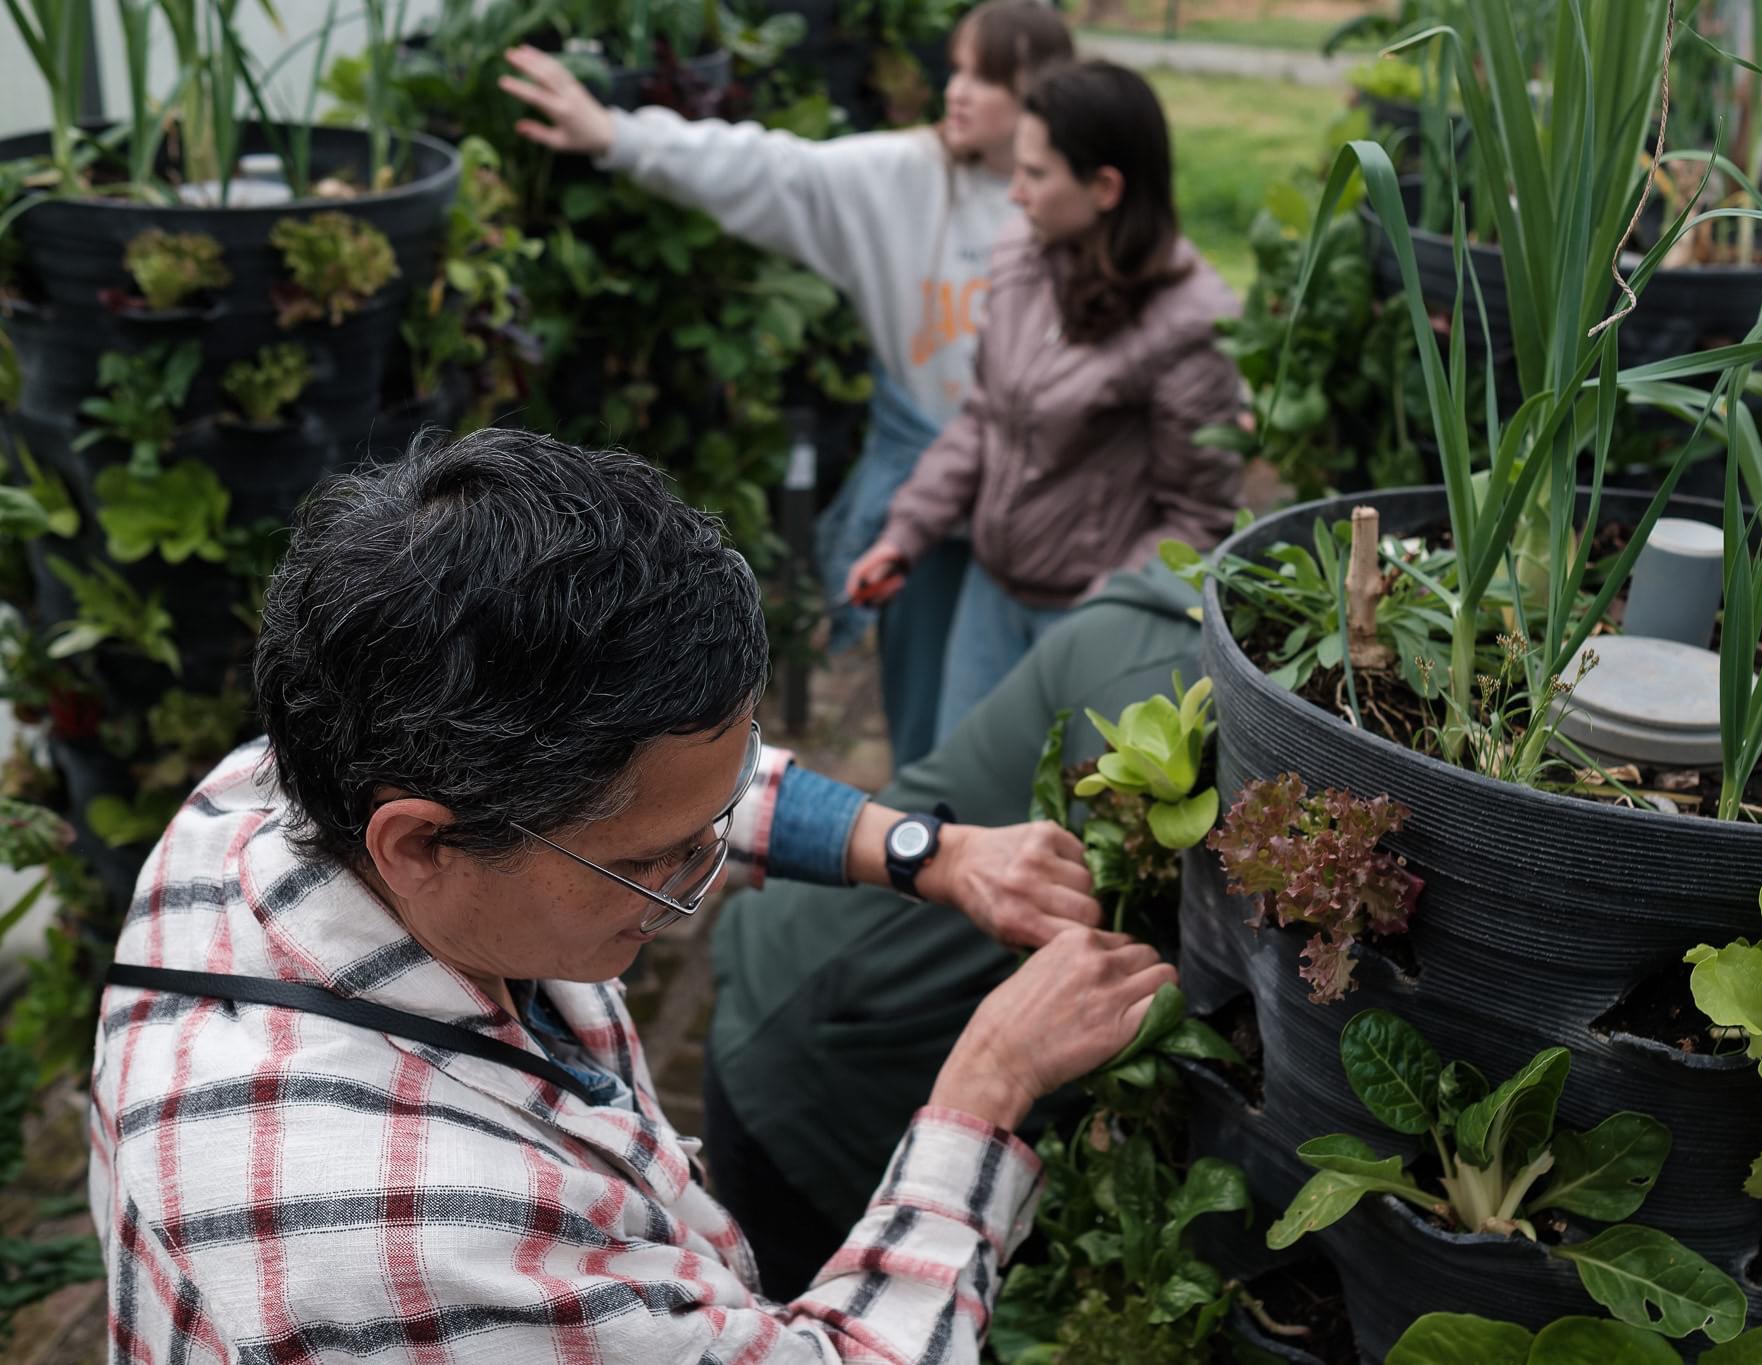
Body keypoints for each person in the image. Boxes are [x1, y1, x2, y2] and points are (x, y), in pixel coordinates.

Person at [87, 429, 1176, 1362]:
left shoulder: (283, 783)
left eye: (705, 829)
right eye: (652, 866)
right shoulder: (416, 1240)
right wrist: (986, 1089)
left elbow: (652, 794)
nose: (693, 886)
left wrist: (920, 853)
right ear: (420, 842)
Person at [500, 0, 1074, 771]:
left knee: (1036, 718)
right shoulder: (906, 178)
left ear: (1042, 92)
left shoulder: (1070, 201)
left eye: (987, 76)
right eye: (957, 67)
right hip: (927, 506)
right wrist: (618, 136)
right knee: (926, 708)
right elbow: (775, 169)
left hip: (1050, 507)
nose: (956, 90)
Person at [709, 556, 1204, 1293]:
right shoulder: (1154, 681)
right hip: (816, 1080)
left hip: (874, 1066)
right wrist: (997, 1073)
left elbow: (698, 802)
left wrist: (936, 851)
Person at [846, 61, 1243, 742]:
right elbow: (985, 417)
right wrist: (904, 532)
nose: (1015, 195)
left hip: (1091, 622)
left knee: (1055, 825)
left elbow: (1197, 517)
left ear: (1106, 188)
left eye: (1035, 175)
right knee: (963, 804)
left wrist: (1096, 620)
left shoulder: (1189, 325)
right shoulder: (1026, 255)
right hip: (991, 594)